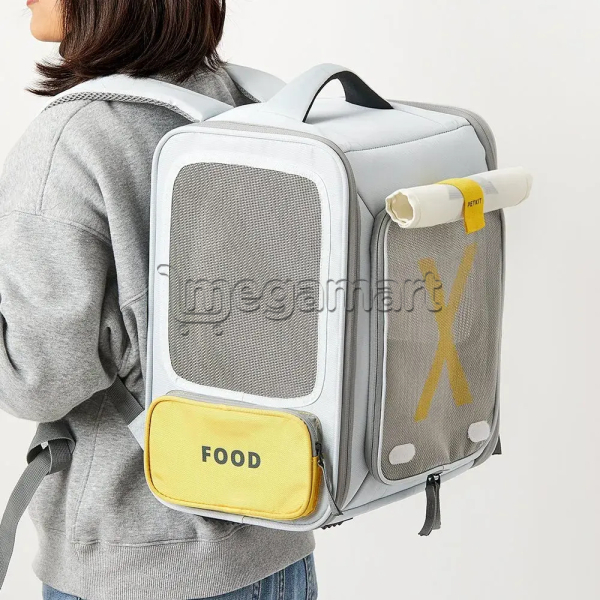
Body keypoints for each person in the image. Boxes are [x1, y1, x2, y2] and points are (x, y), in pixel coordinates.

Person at [0, 1, 317, 599]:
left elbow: (34, 379)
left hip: (138, 564)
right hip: (276, 539)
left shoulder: (72, 142)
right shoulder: (245, 100)